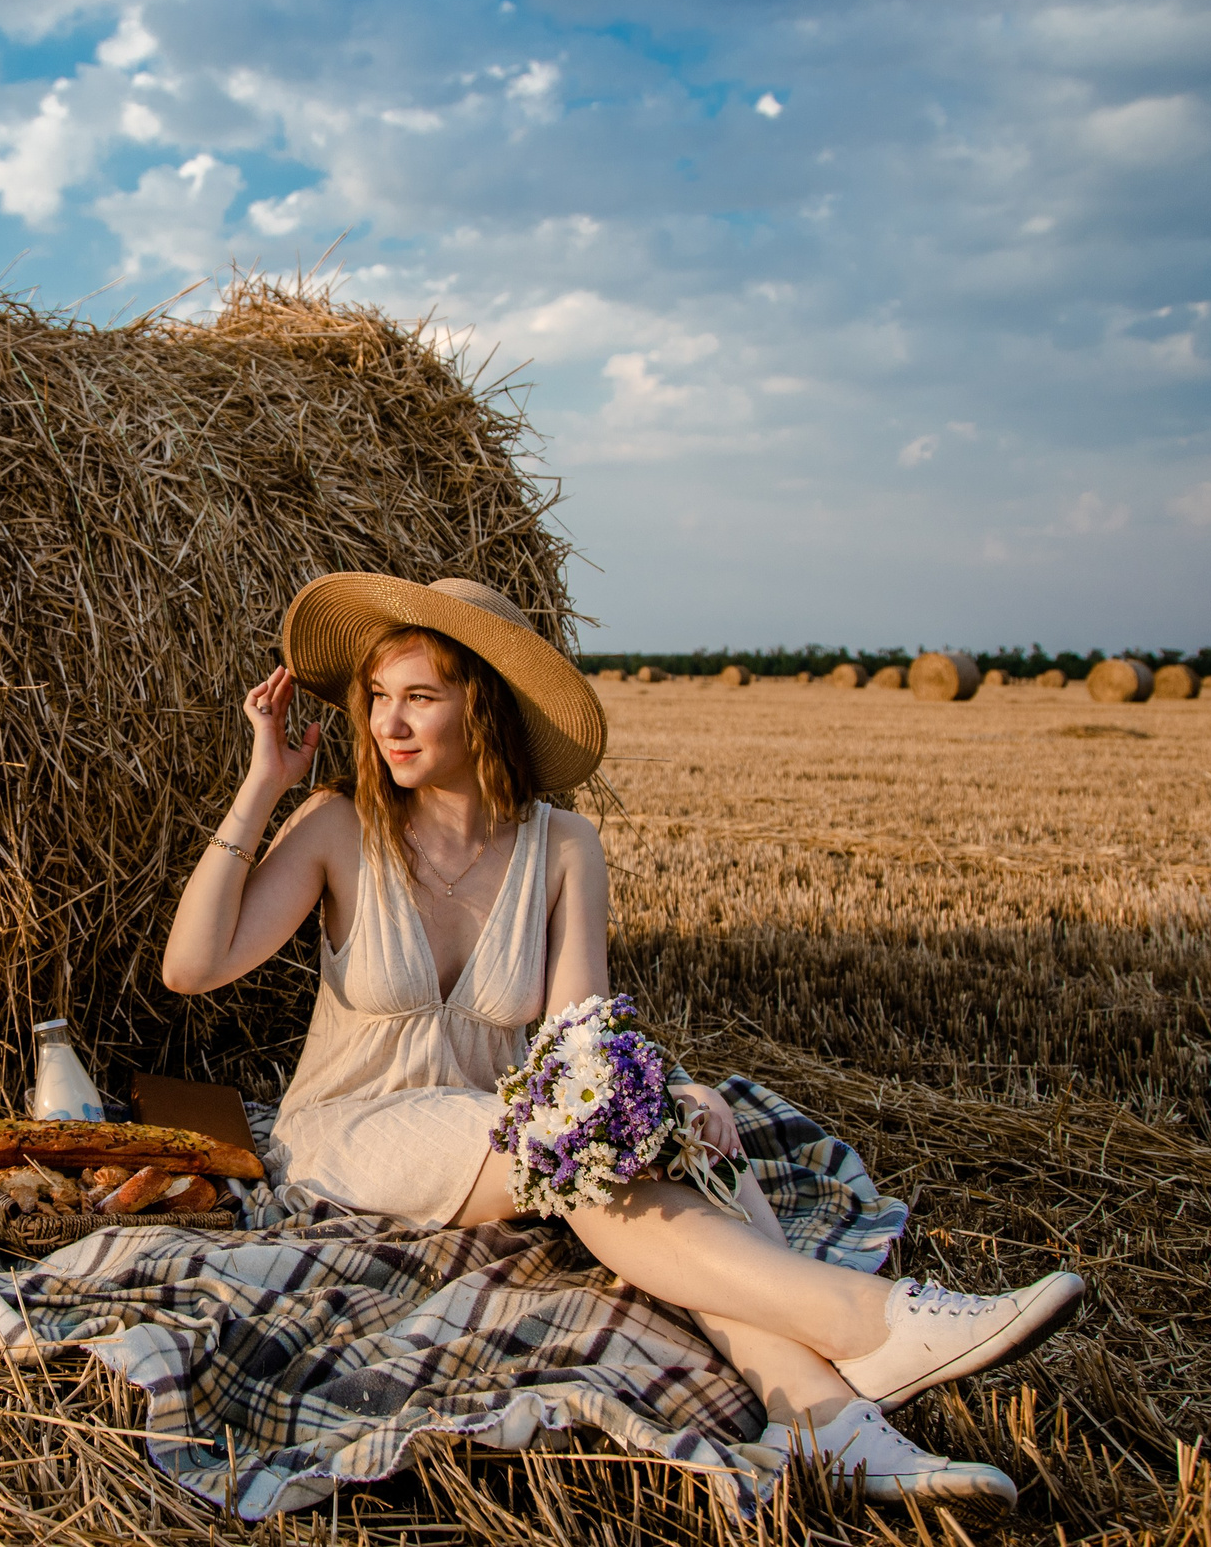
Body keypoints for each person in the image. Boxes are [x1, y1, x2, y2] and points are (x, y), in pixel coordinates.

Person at [161, 573, 1085, 1504]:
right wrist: (262, 784)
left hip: (502, 1132)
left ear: (479, 708)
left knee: (624, 1137)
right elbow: (191, 969)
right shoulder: (337, 829)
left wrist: (665, 1098)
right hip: (353, 1132)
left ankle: (826, 1419)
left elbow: (579, 1042)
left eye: (418, 699)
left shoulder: (563, 847)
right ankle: (873, 1322)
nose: (387, 725)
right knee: (577, 1141)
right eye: (378, 699)